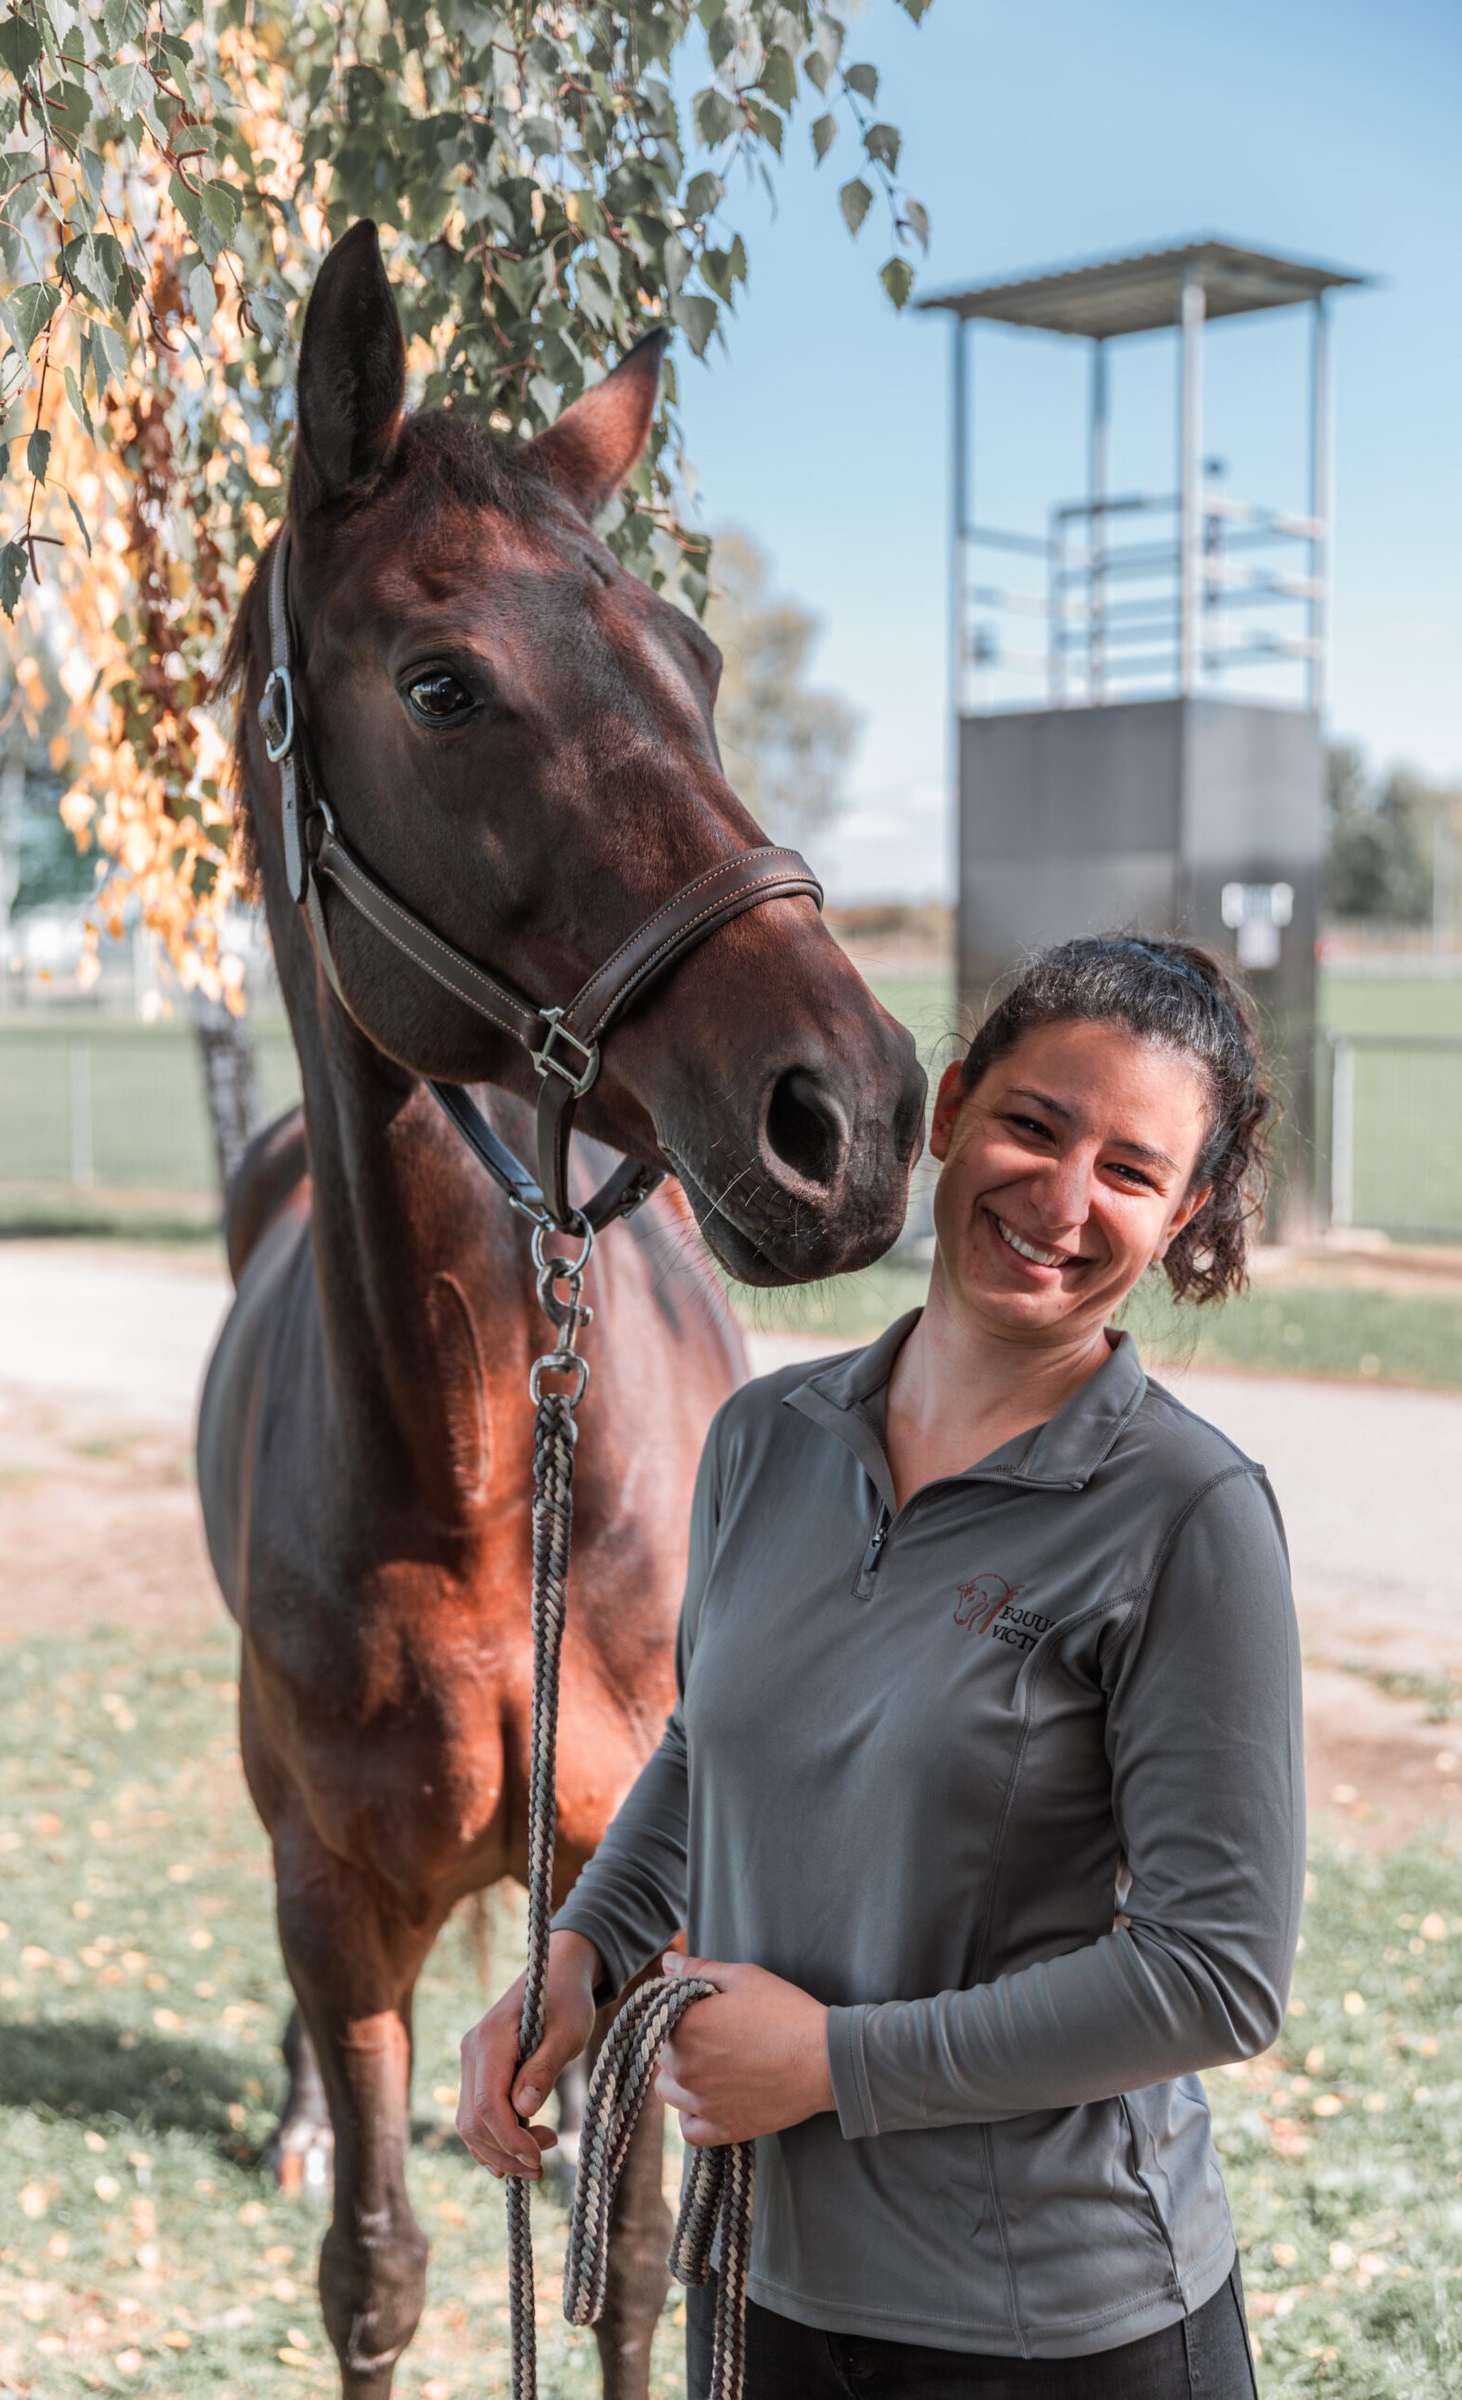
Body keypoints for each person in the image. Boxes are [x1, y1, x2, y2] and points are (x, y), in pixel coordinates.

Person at [459, 934, 1304, 2400]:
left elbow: (1214, 1977)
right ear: (954, 1105)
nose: (1058, 1200)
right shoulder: (766, 1440)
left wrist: (839, 2063)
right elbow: (710, 1745)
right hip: (775, 2292)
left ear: (1187, 1215)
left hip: (1063, 2328)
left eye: (1129, 1169)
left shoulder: (1191, 1518)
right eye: (1035, 1125)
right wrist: (583, 1955)